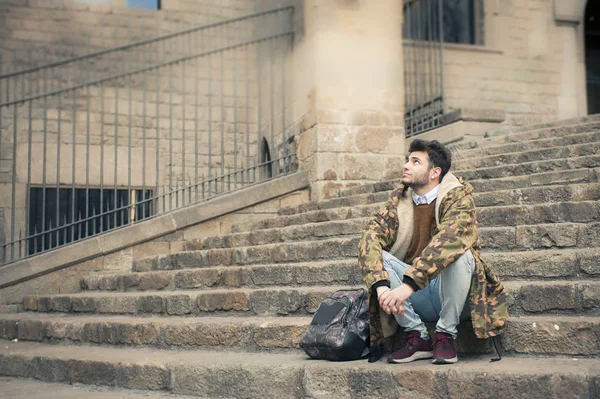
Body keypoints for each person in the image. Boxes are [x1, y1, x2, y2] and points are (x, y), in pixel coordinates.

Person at [357, 139, 508, 364]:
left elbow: (451, 239)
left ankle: (446, 335)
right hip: (413, 299)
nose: (406, 165)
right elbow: (370, 238)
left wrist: (407, 286)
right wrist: (382, 290)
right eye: (407, 160)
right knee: (374, 249)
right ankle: (417, 335)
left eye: (415, 161)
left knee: (461, 254)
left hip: (455, 295)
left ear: (434, 172)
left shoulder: (458, 198)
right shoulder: (397, 203)